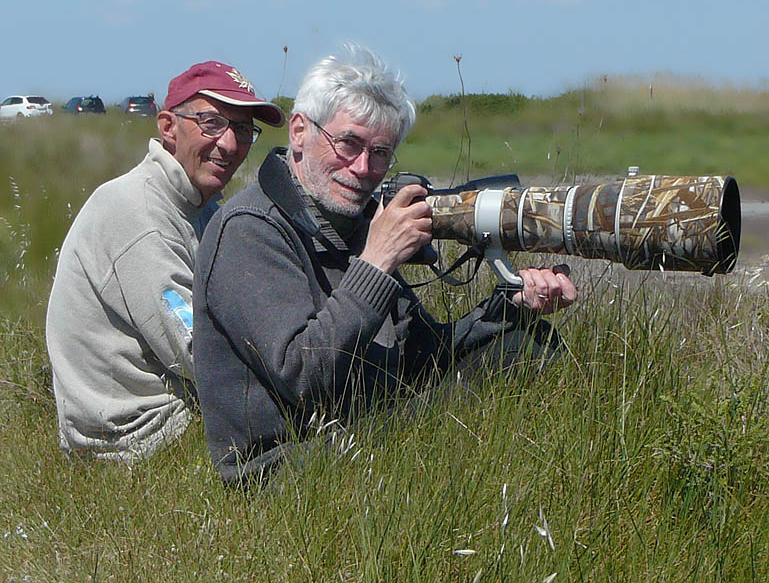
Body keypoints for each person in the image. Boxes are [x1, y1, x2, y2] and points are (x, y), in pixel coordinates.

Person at [193, 45, 577, 485]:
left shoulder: (346, 220)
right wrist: (376, 264)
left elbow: (423, 357)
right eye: (349, 144)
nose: (362, 169)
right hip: (285, 468)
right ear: (298, 132)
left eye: (380, 153)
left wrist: (512, 307)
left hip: (363, 423)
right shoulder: (248, 229)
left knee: (525, 344)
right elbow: (303, 377)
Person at [45, 61, 285, 460]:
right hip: (133, 438)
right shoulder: (140, 215)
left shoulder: (197, 204)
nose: (229, 144)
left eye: (243, 129)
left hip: (166, 413)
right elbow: (200, 354)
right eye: (212, 123)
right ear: (168, 126)